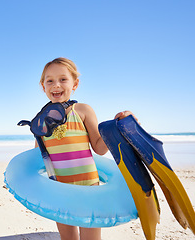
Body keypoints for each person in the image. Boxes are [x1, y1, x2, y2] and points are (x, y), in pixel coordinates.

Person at [35, 57, 137, 240]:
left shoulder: (82, 111)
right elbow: (38, 157)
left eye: (63, 79)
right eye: (50, 80)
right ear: (43, 86)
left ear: (75, 83)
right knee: (68, 236)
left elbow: (99, 147)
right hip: (60, 189)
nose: (56, 85)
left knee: (91, 236)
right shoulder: (41, 121)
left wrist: (118, 127)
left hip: (89, 187)